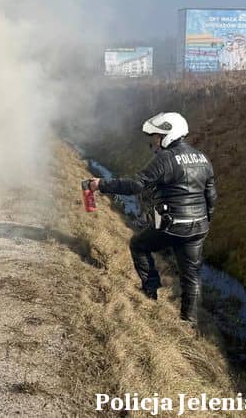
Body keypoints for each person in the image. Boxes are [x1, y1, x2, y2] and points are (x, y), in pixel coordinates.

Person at [88, 112, 216, 325]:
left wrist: (102, 184)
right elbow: (211, 195)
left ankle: (150, 293)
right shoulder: (202, 157)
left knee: (138, 245)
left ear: (168, 134)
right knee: (191, 275)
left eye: (156, 137)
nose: (154, 142)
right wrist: (206, 220)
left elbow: (136, 185)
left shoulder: (165, 159)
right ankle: (188, 322)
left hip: (173, 225)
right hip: (198, 227)